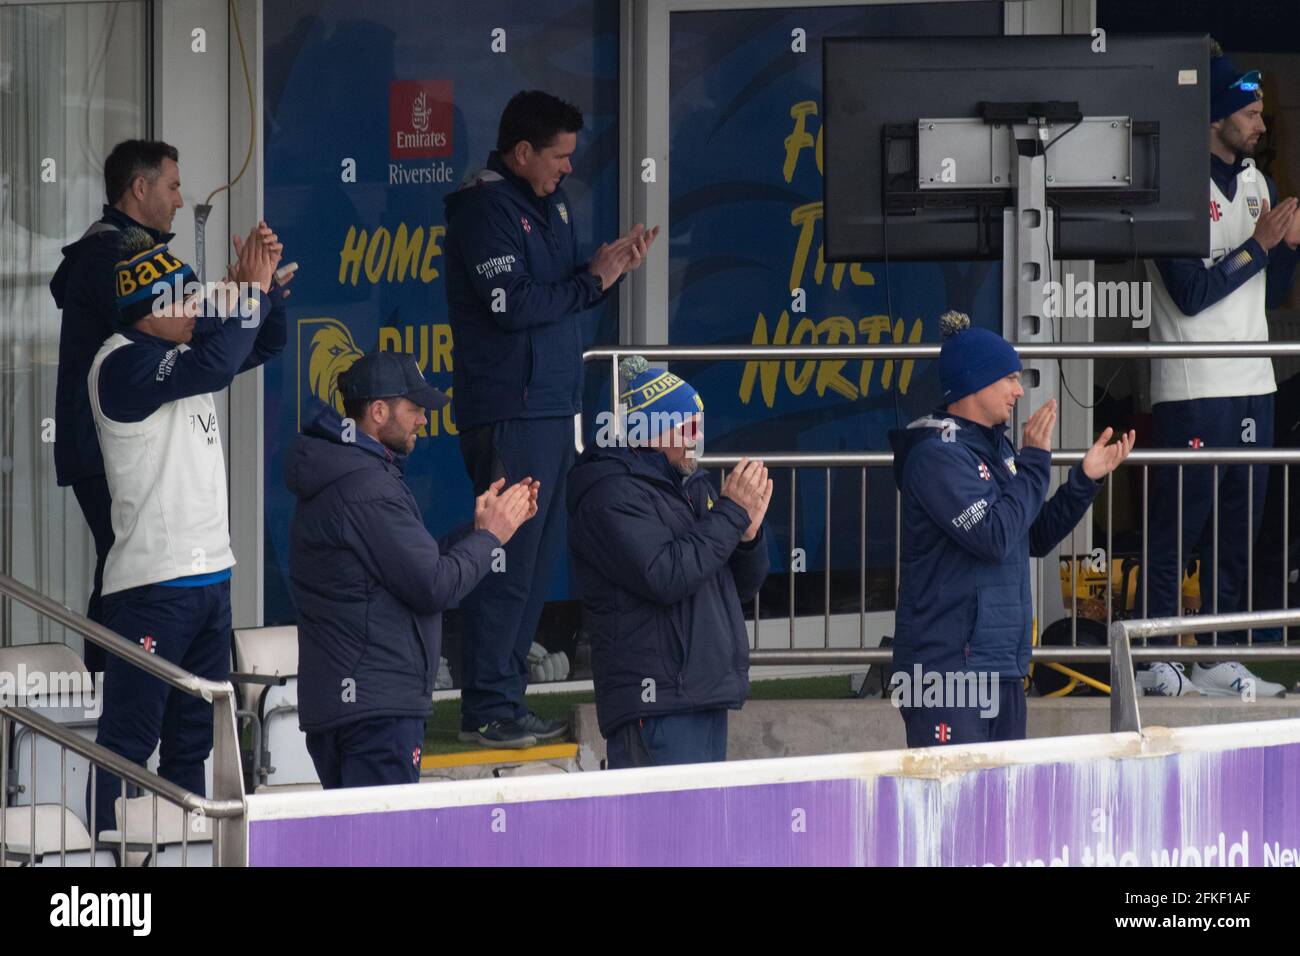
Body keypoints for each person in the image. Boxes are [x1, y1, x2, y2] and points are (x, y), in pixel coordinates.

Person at [443, 89, 656, 748]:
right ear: (522, 151)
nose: (568, 168)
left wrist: (604, 267)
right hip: (510, 411)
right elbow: (514, 304)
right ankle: (486, 706)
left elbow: (559, 288)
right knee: (503, 560)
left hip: (554, 407)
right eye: (559, 156)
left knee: (533, 566)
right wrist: (591, 283)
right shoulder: (484, 209)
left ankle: (505, 695)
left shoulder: (550, 202)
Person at [86, 220, 288, 839]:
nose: (200, 308)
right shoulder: (120, 364)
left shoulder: (186, 352)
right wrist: (244, 295)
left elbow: (264, 344)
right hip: (154, 585)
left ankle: (182, 853)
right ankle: (110, 868)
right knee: (128, 741)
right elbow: (222, 359)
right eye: (188, 301)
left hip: (210, 579)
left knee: (191, 741)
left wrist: (267, 295)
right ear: (150, 312)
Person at [285, 352, 538, 787]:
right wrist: (490, 538)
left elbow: (411, 566)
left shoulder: (354, 474)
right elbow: (434, 584)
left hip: (356, 706)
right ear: (378, 411)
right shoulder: (366, 485)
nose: (423, 419)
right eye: (414, 408)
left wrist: (480, 531)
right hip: (375, 712)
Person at [888, 312, 1134, 747]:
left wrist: (1084, 480)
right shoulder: (936, 456)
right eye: (1011, 379)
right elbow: (994, 537)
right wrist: (1035, 461)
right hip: (947, 673)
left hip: (1001, 664)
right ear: (974, 383)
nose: (1019, 391)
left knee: (1000, 810)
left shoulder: (995, 446)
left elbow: (1031, 536)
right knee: (954, 809)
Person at [1143, 46, 1299, 697]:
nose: (1261, 124)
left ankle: (1220, 654)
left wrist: (1287, 247)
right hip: (1192, 386)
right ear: (1215, 116)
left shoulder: (1258, 183)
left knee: (1238, 527)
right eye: (1250, 111)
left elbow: (1270, 288)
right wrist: (1259, 245)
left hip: (1253, 383)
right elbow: (1190, 294)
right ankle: (1153, 653)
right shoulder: (1173, 183)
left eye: (1261, 111)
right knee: (1180, 524)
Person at [567, 356, 771, 768]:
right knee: (663, 832)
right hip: (657, 702)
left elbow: (739, 588)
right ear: (651, 430)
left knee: (701, 832)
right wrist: (731, 513)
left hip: (703, 694)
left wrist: (747, 538)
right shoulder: (609, 494)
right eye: (687, 426)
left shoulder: (690, 487)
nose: (697, 437)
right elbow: (666, 575)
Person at [51, 140, 184, 670]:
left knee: (123, 565)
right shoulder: (111, 254)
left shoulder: (130, 250)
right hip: (103, 447)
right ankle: (109, 693)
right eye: (172, 185)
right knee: (127, 567)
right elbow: (174, 324)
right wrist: (243, 299)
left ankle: (112, 693)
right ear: (140, 187)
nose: (179, 199)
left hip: (115, 446)